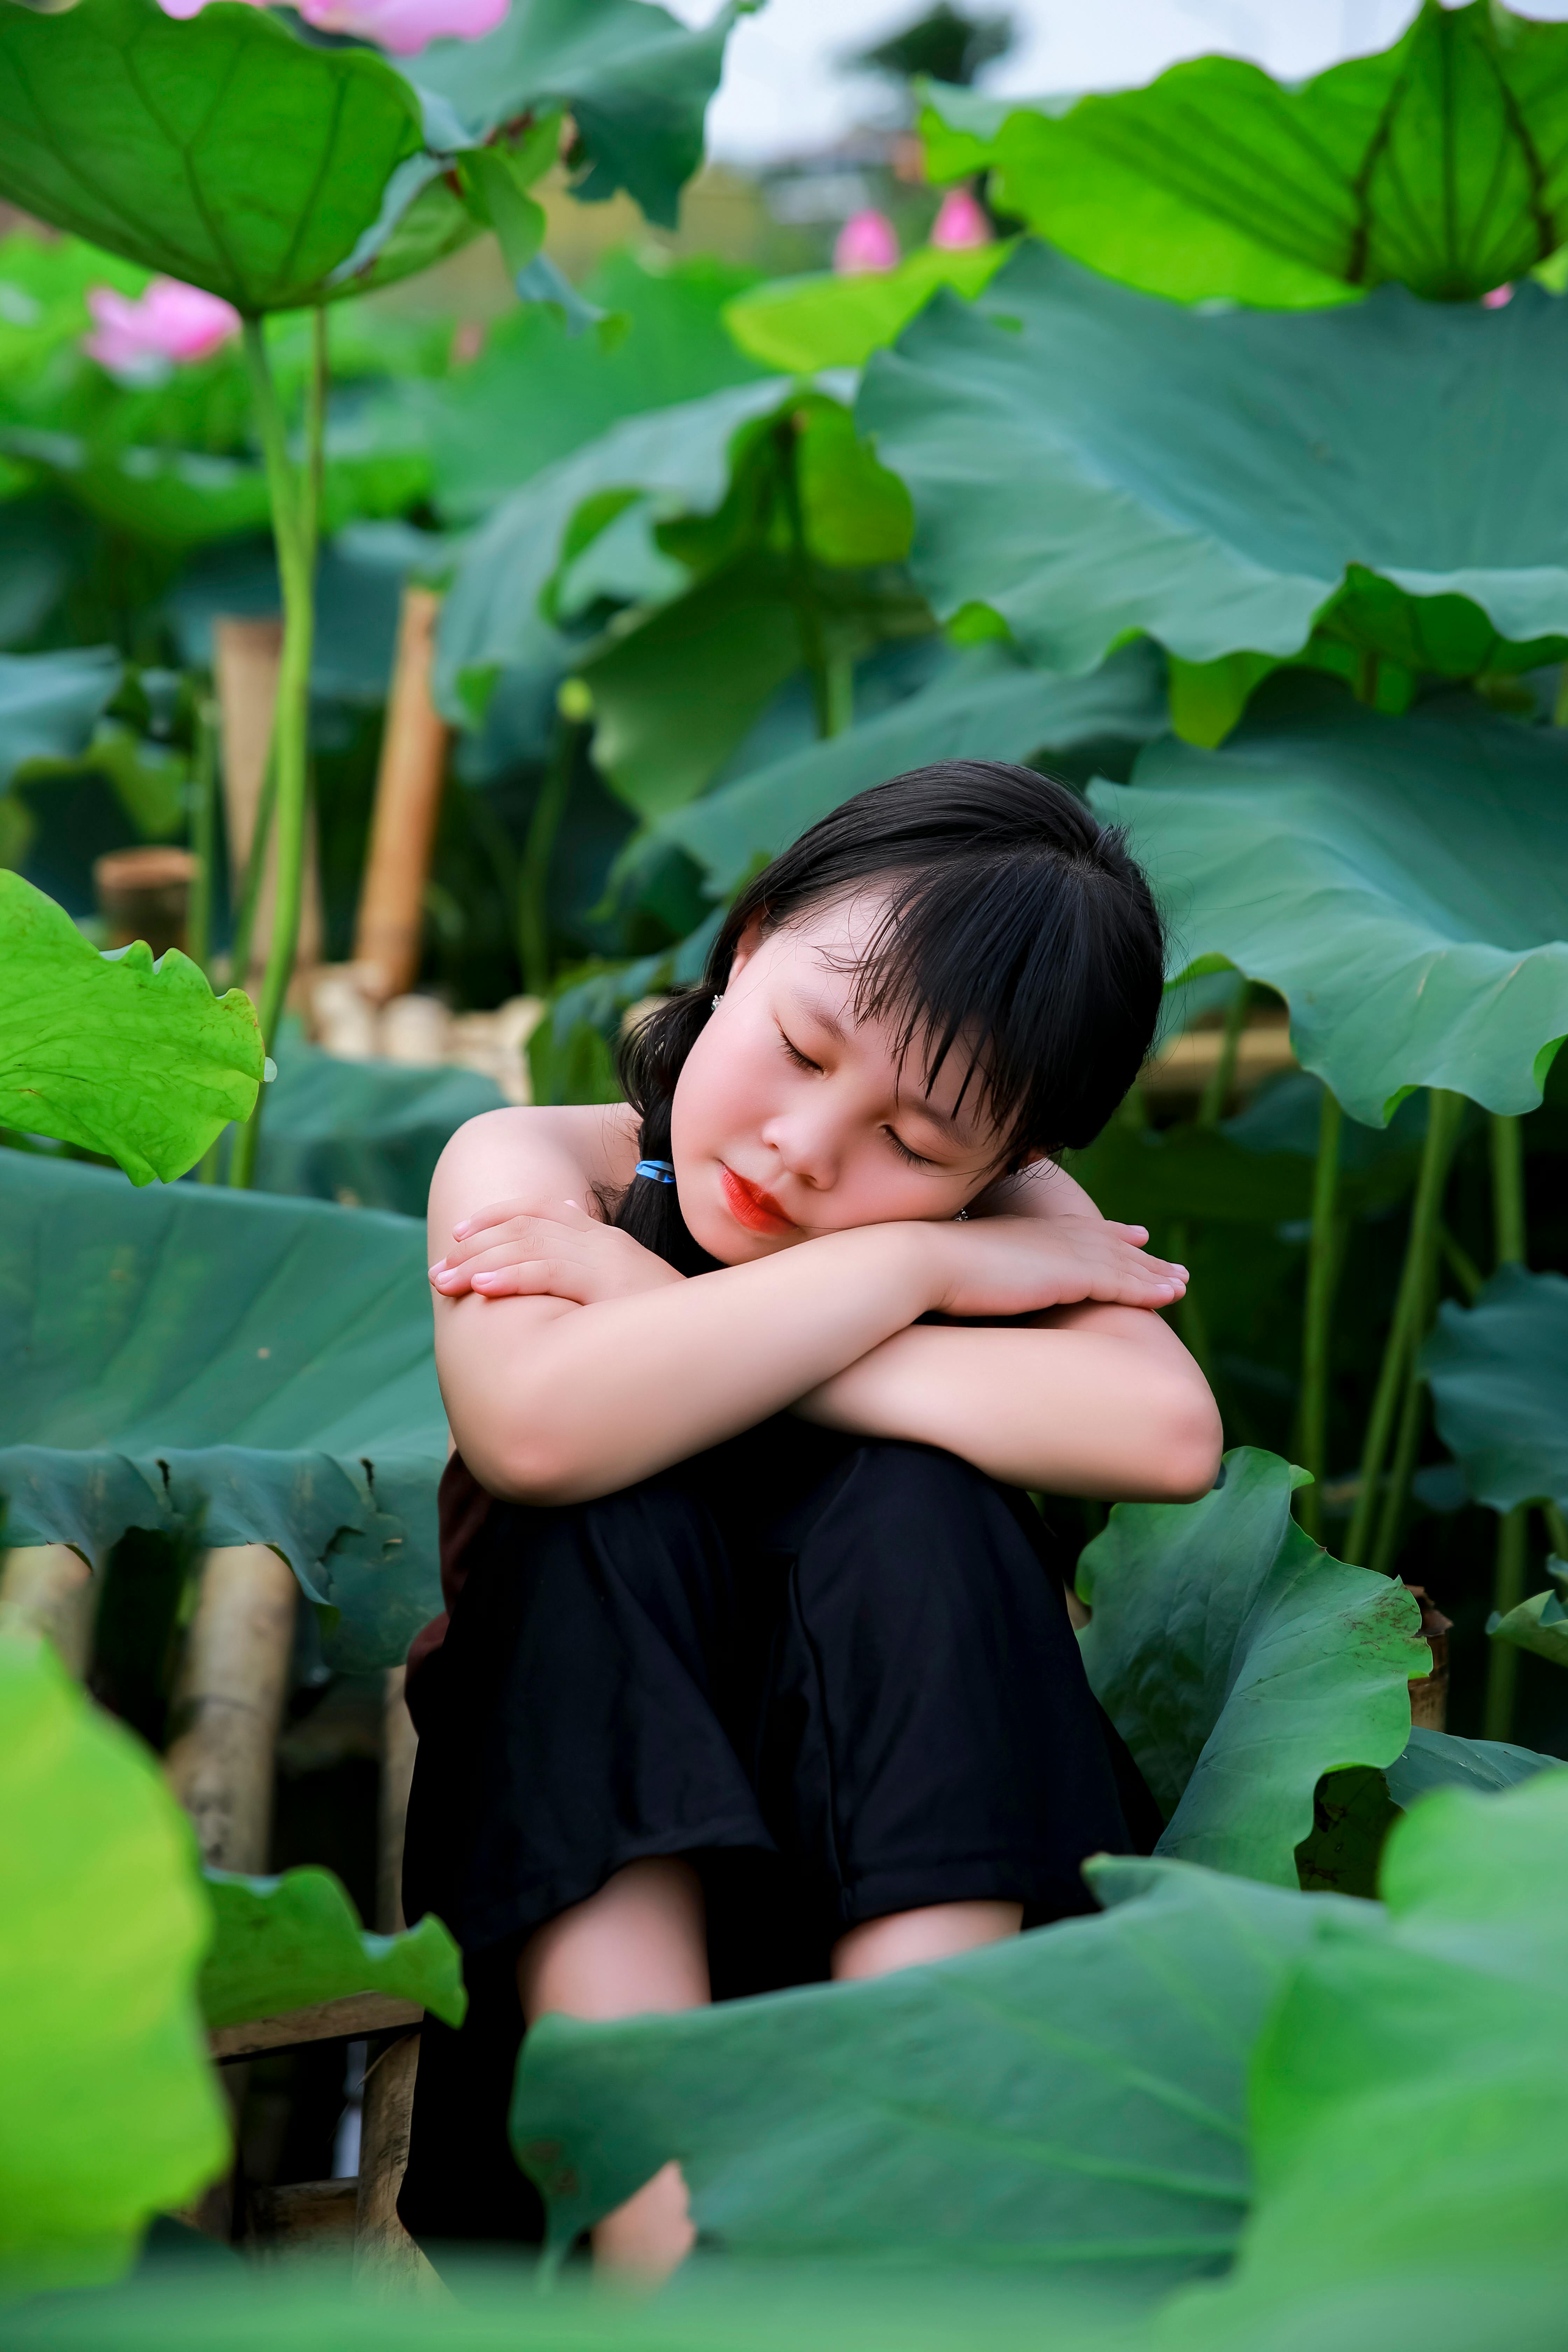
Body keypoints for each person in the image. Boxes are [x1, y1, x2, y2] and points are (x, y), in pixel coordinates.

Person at [397, 760, 1221, 2275]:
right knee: (597, 1513)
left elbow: (1166, 1436)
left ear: (1017, 1156)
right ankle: (676, 2267)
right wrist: (909, 1276)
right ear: (748, 940)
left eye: (915, 1147)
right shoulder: (532, 1169)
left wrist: (753, 1312)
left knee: (917, 1508)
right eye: (796, 1045)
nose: (804, 1148)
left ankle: (901, 2197)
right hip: (581, 1956)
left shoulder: (1015, 1213)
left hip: (945, 1952)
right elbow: (536, 1427)